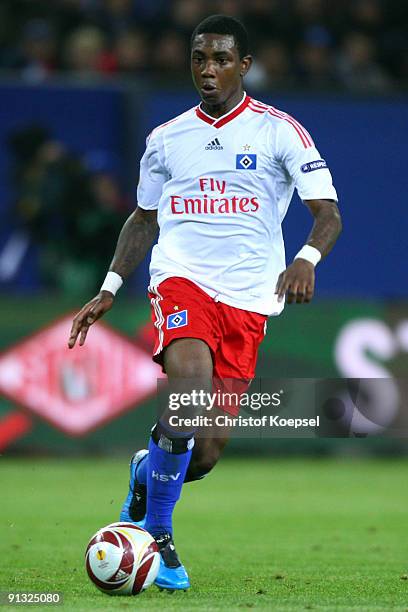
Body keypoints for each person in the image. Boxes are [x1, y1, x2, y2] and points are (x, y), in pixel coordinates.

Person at [68, 14, 342, 591]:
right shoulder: (166, 138)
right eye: (199, 58)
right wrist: (110, 287)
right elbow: (143, 220)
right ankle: (160, 538)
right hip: (182, 280)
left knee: (205, 453)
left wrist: (305, 260)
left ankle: (145, 476)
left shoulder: (279, 131)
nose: (208, 70)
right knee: (186, 395)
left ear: (244, 65)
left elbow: (328, 214)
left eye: (220, 59)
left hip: (247, 298)